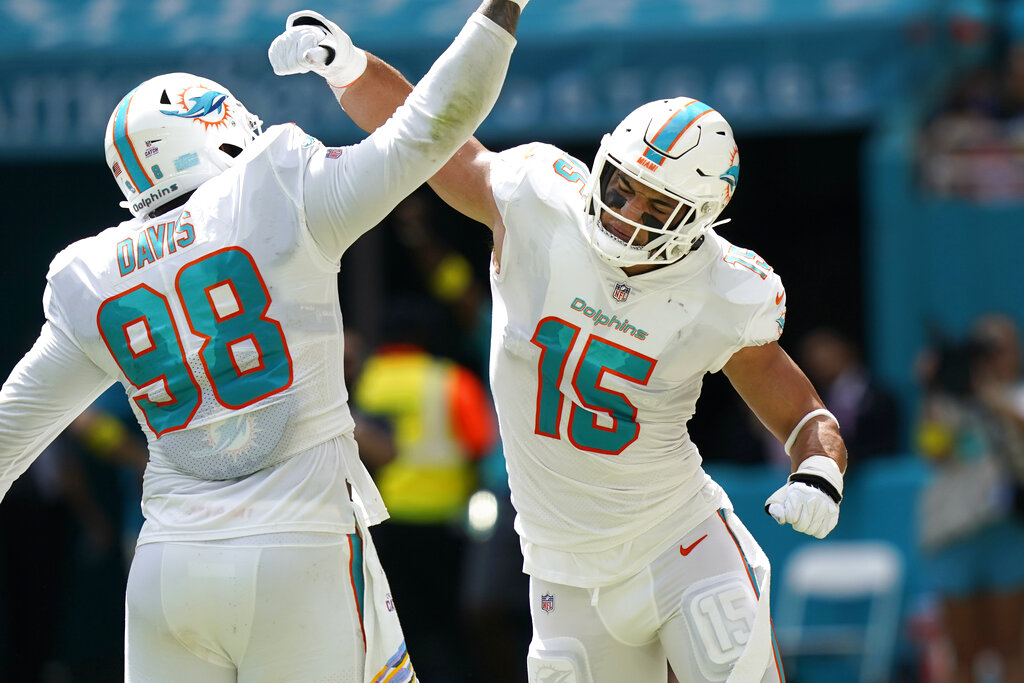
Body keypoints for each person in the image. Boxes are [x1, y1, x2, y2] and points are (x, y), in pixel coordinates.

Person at [276, 30, 851, 683]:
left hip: (680, 543)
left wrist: (818, 469)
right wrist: (350, 68)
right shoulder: (539, 202)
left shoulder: (722, 289)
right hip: (561, 571)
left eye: (658, 206)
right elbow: (427, 133)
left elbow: (803, 412)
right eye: (623, 185)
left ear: (699, 218)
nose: (626, 211)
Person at [0, 2, 525, 681]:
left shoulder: (90, 276)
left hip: (169, 566)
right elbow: (435, 127)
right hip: (299, 550)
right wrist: (502, 9)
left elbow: (9, 431)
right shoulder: (276, 186)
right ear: (215, 132)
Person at [352, 295, 497, 681]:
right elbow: (483, 444)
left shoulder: (365, 380)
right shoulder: (452, 381)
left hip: (386, 520)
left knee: (398, 623)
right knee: (447, 624)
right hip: (445, 521)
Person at [915, 314, 1024, 683]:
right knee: (962, 650)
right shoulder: (948, 403)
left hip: (1007, 531)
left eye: (1000, 348)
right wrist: (931, 388)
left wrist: (987, 394)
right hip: (956, 533)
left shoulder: (1015, 397)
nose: (993, 358)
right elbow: (935, 453)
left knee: (1012, 646)